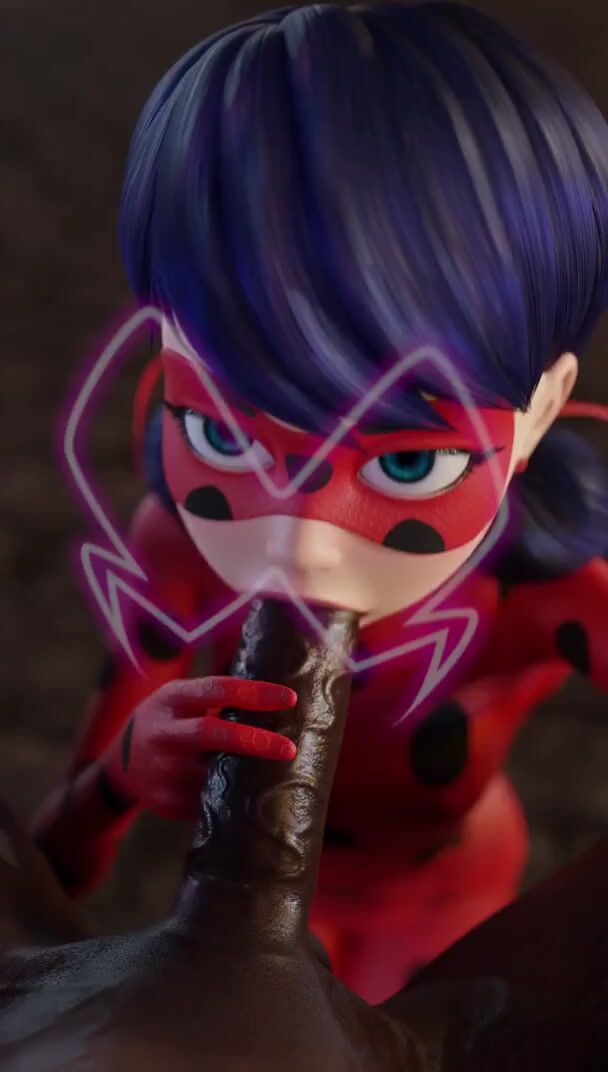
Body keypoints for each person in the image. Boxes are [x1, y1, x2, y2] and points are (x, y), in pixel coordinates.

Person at [33, 1, 608, 1003]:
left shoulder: (548, 596)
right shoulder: (171, 556)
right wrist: (122, 771)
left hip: (449, 912)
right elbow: (56, 866)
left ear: (540, 411)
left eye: (408, 465)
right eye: (222, 434)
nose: (298, 549)